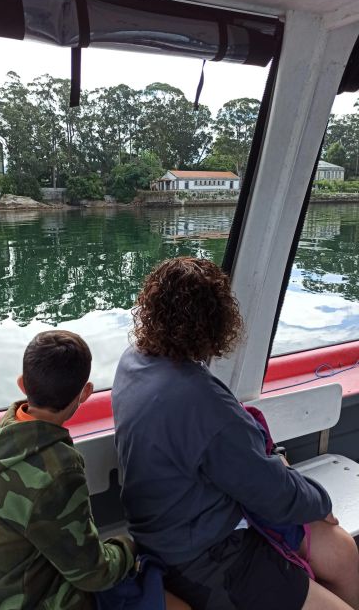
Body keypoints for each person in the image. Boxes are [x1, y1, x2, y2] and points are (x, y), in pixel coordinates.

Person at [112, 257, 359, 610]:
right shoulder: (203, 403)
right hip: (205, 556)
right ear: (216, 323)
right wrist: (321, 501)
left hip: (178, 529)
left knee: (342, 552)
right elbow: (273, 492)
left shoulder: (133, 361)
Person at [0, 329, 189, 610]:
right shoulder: (58, 470)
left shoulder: (7, 434)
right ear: (85, 393)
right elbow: (94, 575)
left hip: (4, 594)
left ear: (23, 385)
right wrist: (129, 547)